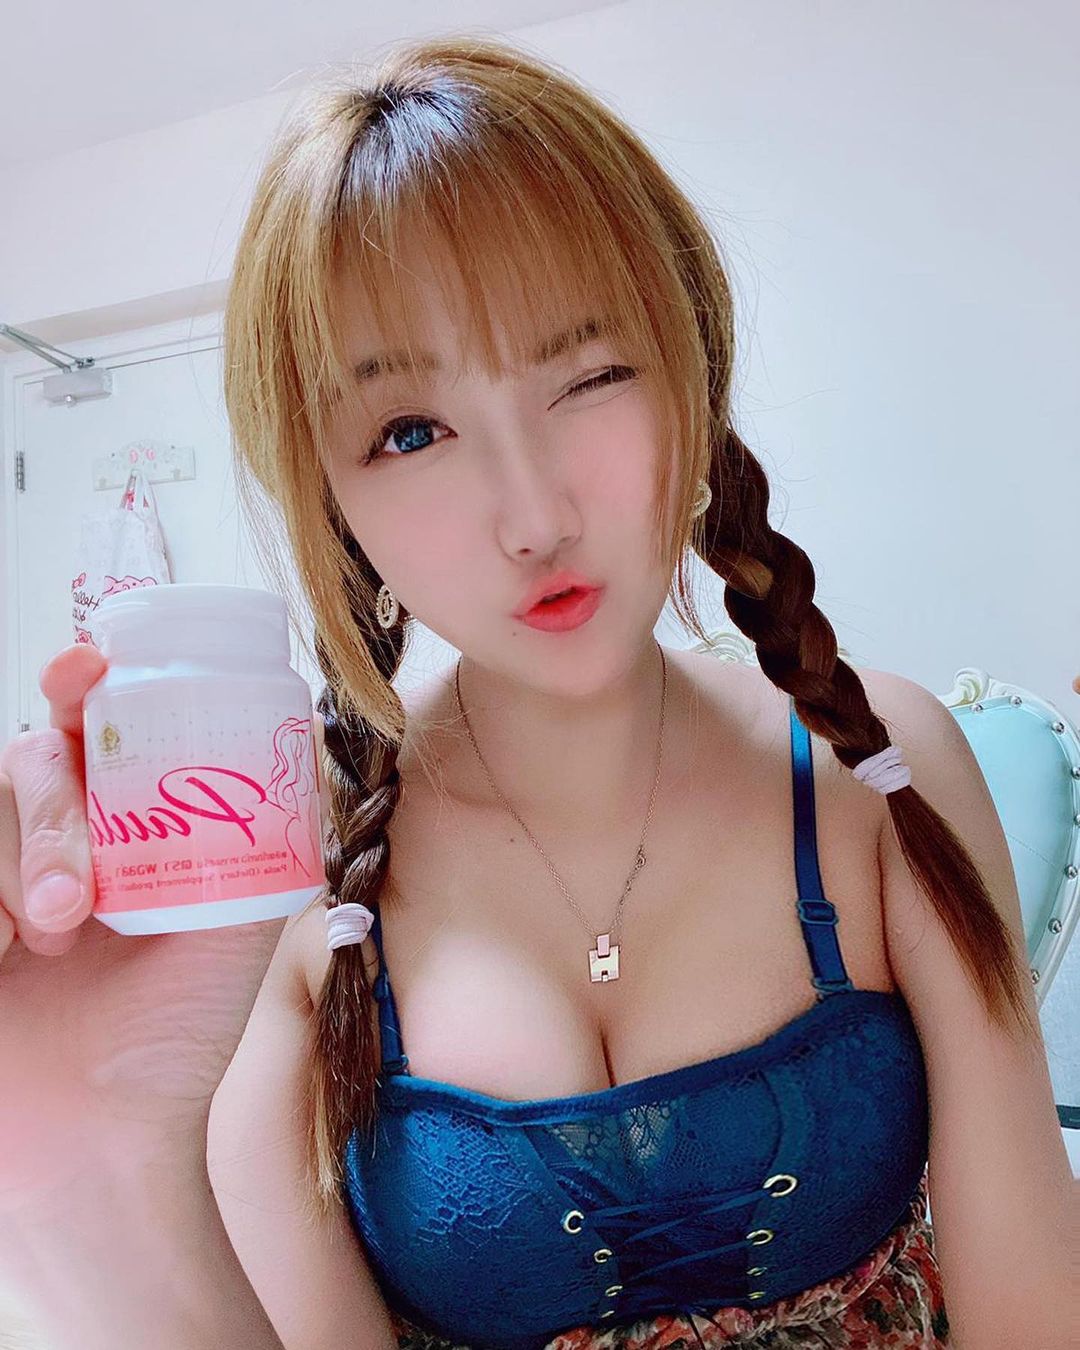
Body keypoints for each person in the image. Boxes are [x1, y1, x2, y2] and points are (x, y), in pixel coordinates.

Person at [0, 32, 1075, 1350]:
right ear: (332, 498)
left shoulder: (877, 767)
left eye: (593, 374)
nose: (533, 516)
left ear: (691, 370)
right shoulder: (292, 876)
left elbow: (1036, 1314)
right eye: (411, 431)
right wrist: (93, 1173)